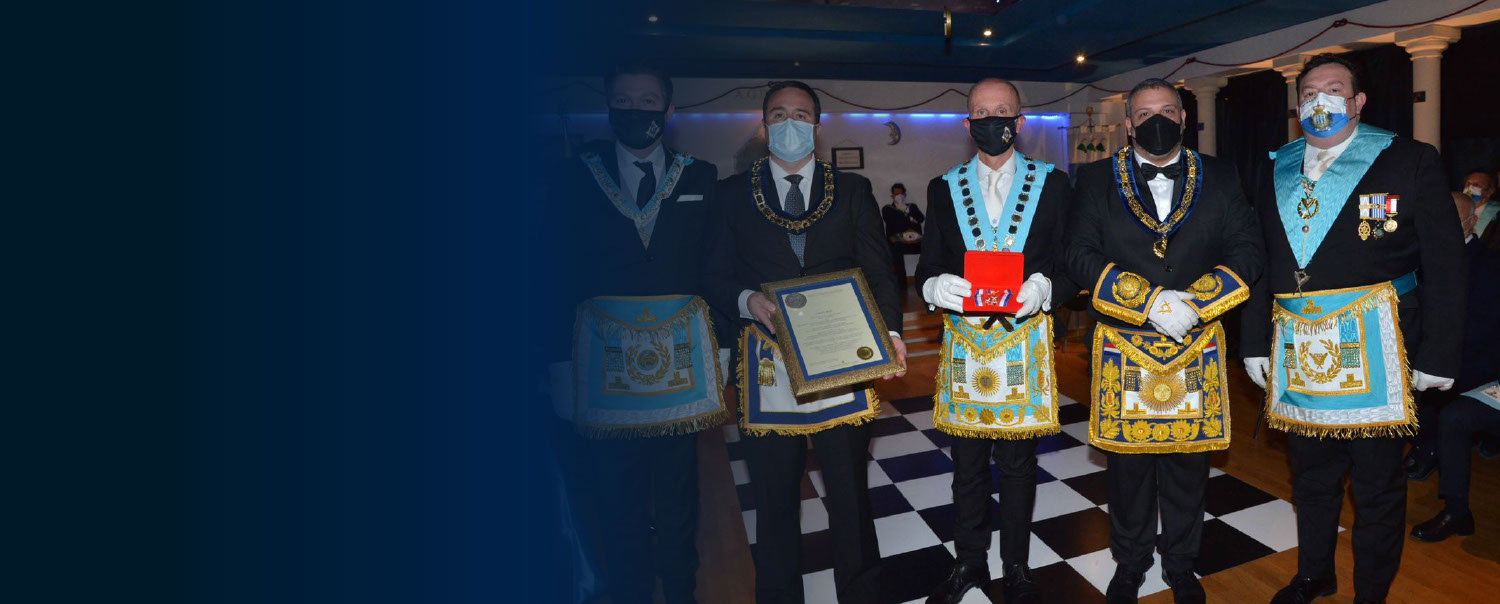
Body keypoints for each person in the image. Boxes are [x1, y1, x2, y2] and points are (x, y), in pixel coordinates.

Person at [1240, 54, 1466, 604]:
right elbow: (1260, 259)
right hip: (1298, 347)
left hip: (1383, 346)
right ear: (1297, 107)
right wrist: (1252, 340)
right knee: (1310, 476)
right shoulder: (1275, 166)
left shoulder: (1408, 159)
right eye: (1309, 92)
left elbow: (1446, 265)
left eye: (1334, 89)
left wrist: (1439, 353)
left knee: (1377, 485)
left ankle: (1371, 594)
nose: (1320, 100)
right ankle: (1314, 574)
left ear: (1358, 101)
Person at [703, 80, 906, 604]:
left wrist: (891, 332)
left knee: (849, 492)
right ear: (763, 124)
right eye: (778, 114)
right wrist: (746, 299)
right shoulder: (731, 193)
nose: (789, 123)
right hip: (766, 362)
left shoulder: (853, 189)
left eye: (800, 114)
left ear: (817, 126)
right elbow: (713, 273)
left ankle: (861, 594)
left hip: (843, 356)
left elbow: (878, 269)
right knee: (774, 498)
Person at [1067, 77, 1265, 604]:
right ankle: (1130, 563)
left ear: (1183, 117)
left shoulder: (1222, 174)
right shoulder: (1094, 178)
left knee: (1188, 467)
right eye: (1144, 113)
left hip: (1194, 345)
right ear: (1129, 125)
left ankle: (1181, 564)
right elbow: (1078, 254)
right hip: (1124, 344)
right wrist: (1149, 302)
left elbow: (1248, 250)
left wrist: (1196, 302)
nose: (1156, 120)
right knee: (1128, 470)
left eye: (1167, 110)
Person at [544, 61, 727, 604]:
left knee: (679, 491)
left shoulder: (700, 176)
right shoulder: (575, 176)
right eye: (623, 100)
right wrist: (558, 365)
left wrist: (718, 349)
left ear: (668, 110)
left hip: (681, 362)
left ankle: (682, 590)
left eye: (647, 101)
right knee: (616, 493)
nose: (635, 110)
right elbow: (553, 272)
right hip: (604, 365)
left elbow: (715, 266)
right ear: (608, 106)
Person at [916, 78, 1073, 604]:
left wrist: (1045, 286)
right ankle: (969, 563)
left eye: (1001, 111)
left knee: (1019, 467)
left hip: (1024, 342)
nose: (991, 120)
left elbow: (1070, 262)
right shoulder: (943, 187)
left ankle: (1017, 567)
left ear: (1019, 121)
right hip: (966, 344)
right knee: (966, 468)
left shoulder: (1054, 184)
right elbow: (928, 266)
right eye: (981, 113)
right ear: (968, 124)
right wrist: (935, 287)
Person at [1406, 192, 1500, 542]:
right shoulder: (1420, 257)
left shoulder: (1488, 267)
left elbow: (1480, 334)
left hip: (1473, 365)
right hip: (1436, 356)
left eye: (1452, 220)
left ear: (1472, 223)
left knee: (1442, 396)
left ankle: (1427, 450)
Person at [883, 182, 925, 291]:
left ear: (905, 195)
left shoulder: (912, 207)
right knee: (894, 250)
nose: (898, 196)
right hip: (898, 242)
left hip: (915, 241)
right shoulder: (887, 209)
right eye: (896, 194)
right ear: (892, 196)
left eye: (900, 194)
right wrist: (908, 219)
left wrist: (906, 210)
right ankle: (901, 285)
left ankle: (924, 280)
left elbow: (921, 219)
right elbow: (892, 223)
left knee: (929, 247)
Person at [1462, 169, 1498, 240]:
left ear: (1490, 191)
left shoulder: (1496, 213)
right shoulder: (1455, 207)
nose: (1470, 188)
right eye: (1468, 184)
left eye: (1476, 185)